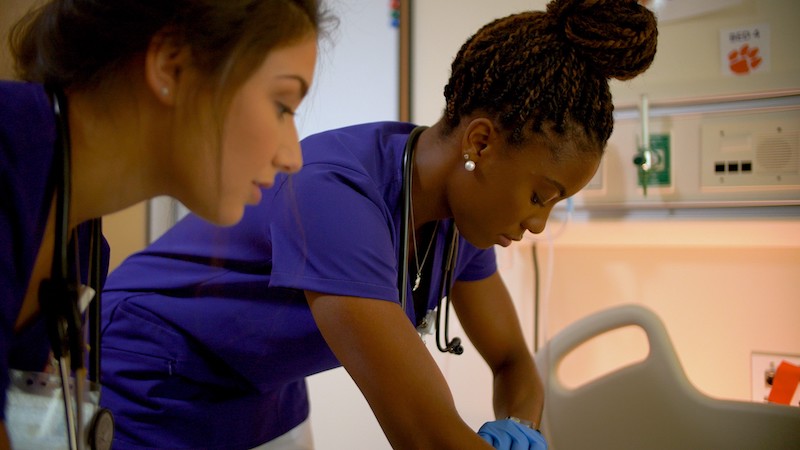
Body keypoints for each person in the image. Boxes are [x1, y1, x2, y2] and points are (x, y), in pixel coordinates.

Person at [99, 0, 658, 448]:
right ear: (480, 142)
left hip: (262, 386)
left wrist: (521, 429)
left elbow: (513, 362)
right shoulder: (336, 192)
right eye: (541, 196)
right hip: (158, 365)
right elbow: (425, 435)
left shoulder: (459, 226)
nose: (538, 224)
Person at [1, 0, 328, 448]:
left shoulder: (80, 243)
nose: (292, 156)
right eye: (282, 105)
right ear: (172, 66)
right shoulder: (10, 154)